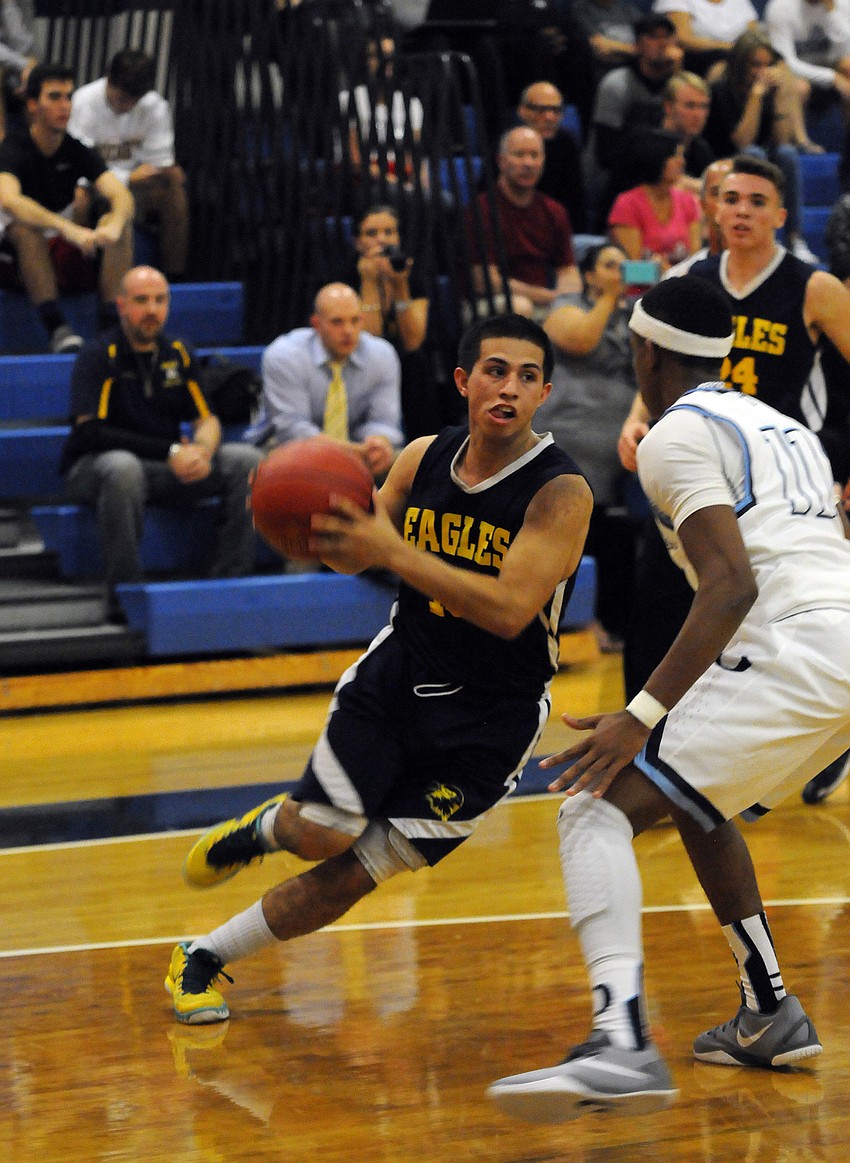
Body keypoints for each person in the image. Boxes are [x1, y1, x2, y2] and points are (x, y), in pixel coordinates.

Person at [163, 312, 594, 1025]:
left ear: (544, 392)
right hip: (399, 676)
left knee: (357, 872)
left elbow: (510, 608)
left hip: (493, 716)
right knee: (319, 833)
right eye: (495, 370)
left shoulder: (559, 492)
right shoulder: (422, 456)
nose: (509, 388)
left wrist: (391, 550)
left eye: (526, 376)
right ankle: (272, 825)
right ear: (463, 380)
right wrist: (297, 514)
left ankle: (203, 952)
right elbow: (354, 551)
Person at [488, 273, 849, 1122]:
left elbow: (728, 585)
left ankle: (622, 1042)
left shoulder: (672, 435)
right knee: (697, 797)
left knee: (593, 807)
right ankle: (768, 1010)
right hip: (832, 635)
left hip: (793, 642)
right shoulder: (782, 423)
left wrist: (636, 714)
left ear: (644, 352)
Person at [624, 154, 850, 798]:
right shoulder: (688, 278)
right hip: (705, 456)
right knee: (666, 583)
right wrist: (635, 418)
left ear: (780, 215)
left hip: (795, 465)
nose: (742, 210)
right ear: (713, 209)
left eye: (756, 200)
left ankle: (821, 732)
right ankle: (648, 730)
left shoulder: (814, 287)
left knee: (772, 596)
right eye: (730, 198)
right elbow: (654, 364)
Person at [60, 266, 262, 620]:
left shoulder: (179, 352)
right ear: (121, 305)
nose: (152, 310)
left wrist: (201, 452)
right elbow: (89, 432)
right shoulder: (98, 355)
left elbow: (208, 419)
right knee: (122, 467)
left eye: (160, 300)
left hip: (163, 468)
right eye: (141, 301)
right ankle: (126, 596)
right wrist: (171, 452)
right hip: (94, 468)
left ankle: (231, 583)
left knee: (245, 459)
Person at [538, 243, 639, 652]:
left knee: (618, 534)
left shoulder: (638, 317)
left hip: (621, 441)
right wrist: (612, 296)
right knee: (578, 528)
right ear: (590, 276)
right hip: (570, 430)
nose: (618, 272)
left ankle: (612, 618)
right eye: (608, 266)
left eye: (623, 265)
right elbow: (580, 340)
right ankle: (576, 618)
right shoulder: (565, 307)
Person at [0, 63, 135, 353]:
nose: (65, 106)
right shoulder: (13, 148)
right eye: (54, 97)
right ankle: (57, 329)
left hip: (64, 250)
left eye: (68, 97)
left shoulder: (76, 149)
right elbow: (9, 200)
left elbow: (121, 194)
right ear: (33, 105)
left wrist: (113, 224)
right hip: (14, 258)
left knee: (119, 224)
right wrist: (69, 229)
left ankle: (111, 331)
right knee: (25, 229)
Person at [244, 282, 403, 478]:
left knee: (411, 465)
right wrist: (353, 452)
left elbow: (384, 421)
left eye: (355, 320)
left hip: (360, 451)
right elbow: (293, 430)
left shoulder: (382, 354)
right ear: (316, 324)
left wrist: (379, 443)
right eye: (337, 322)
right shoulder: (284, 355)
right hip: (287, 451)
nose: (348, 331)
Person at [68, 49, 189, 282]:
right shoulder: (83, 101)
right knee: (77, 198)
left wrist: (160, 174)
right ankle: (77, 274)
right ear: (108, 80)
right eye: (122, 98)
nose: (128, 107)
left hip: (137, 188)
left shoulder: (155, 106)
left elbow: (159, 166)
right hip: (93, 186)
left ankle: (175, 279)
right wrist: (129, 178)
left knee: (174, 191)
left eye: (136, 101)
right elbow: (79, 167)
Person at [704, 27, 822, 261]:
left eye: (766, 65)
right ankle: (765, 234)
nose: (762, 72)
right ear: (740, 64)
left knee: (787, 153)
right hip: (723, 157)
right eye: (755, 65)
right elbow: (741, 140)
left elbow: (780, 139)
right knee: (752, 152)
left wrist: (778, 101)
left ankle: (794, 238)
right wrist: (756, 98)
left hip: (760, 155)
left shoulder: (769, 88)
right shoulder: (722, 89)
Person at [329, 204, 440, 439]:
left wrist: (400, 287)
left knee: (417, 363)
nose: (382, 240)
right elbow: (367, 344)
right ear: (358, 242)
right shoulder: (344, 275)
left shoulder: (409, 271)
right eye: (372, 233)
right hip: (357, 360)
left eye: (389, 232)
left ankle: (423, 447)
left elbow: (413, 341)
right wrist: (369, 284)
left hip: (407, 363)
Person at [465, 126, 580, 322]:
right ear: (500, 161)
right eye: (519, 155)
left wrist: (565, 298)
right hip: (490, 303)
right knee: (520, 307)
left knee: (580, 316)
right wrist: (545, 297)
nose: (528, 163)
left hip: (545, 302)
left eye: (535, 155)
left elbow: (567, 270)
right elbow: (484, 281)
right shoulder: (481, 210)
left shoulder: (554, 211)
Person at [589, 14, 684, 227]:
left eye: (667, 37)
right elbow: (605, 153)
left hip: (662, 177)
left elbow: (684, 133)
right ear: (637, 45)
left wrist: (678, 70)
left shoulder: (676, 84)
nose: (661, 44)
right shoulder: (617, 84)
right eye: (652, 37)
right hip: (619, 180)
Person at [608, 128, 702, 270]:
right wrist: (662, 272)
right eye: (675, 156)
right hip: (640, 289)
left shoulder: (688, 201)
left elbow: (696, 259)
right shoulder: (627, 204)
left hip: (681, 284)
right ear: (656, 157)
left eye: (682, 156)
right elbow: (631, 271)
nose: (682, 162)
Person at [515, 81, 587, 233]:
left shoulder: (567, 144)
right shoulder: (509, 144)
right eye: (541, 110)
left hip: (562, 233)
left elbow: (576, 202)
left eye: (555, 110)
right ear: (522, 111)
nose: (549, 117)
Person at [764, 0, 850, 122]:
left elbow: (846, 51)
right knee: (800, 87)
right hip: (797, 71)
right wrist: (831, 77)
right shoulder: (780, 7)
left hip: (829, 64)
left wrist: (832, 13)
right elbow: (785, 62)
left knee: (848, 66)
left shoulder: (843, 4)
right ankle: (797, 140)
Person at [651, 0, 759, 75]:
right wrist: (728, 46)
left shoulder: (740, 2)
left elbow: (753, 36)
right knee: (723, 67)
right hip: (696, 59)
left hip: (740, 56)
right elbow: (683, 39)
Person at [661, 71, 715, 195]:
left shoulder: (701, 148)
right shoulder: (647, 142)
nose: (699, 115)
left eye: (704, 106)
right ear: (668, 107)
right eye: (690, 106)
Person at [0, 0, 36, 141]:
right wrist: (25, 65)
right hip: (12, 65)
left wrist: (8, 5)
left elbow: (24, 45)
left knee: (37, 83)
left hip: (13, 68)